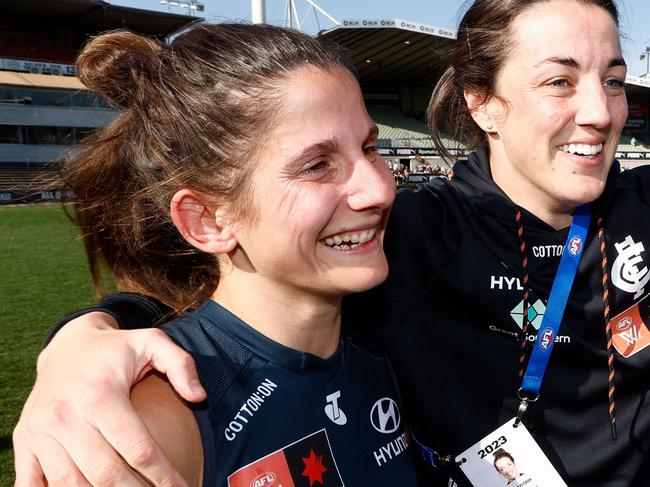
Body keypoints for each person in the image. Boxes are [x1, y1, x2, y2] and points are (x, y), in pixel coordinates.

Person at [14, 0, 650, 485]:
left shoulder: (640, 204)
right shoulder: (413, 234)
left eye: (615, 80)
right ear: (482, 103)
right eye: (559, 82)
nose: (599, 110)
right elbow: (231, 304)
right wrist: (82, 340)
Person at [12, 23, 420, 486]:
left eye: (370, 147)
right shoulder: (145, 428)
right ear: (206, 220)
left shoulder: (382, 347)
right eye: (317, 166)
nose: (381, 188)